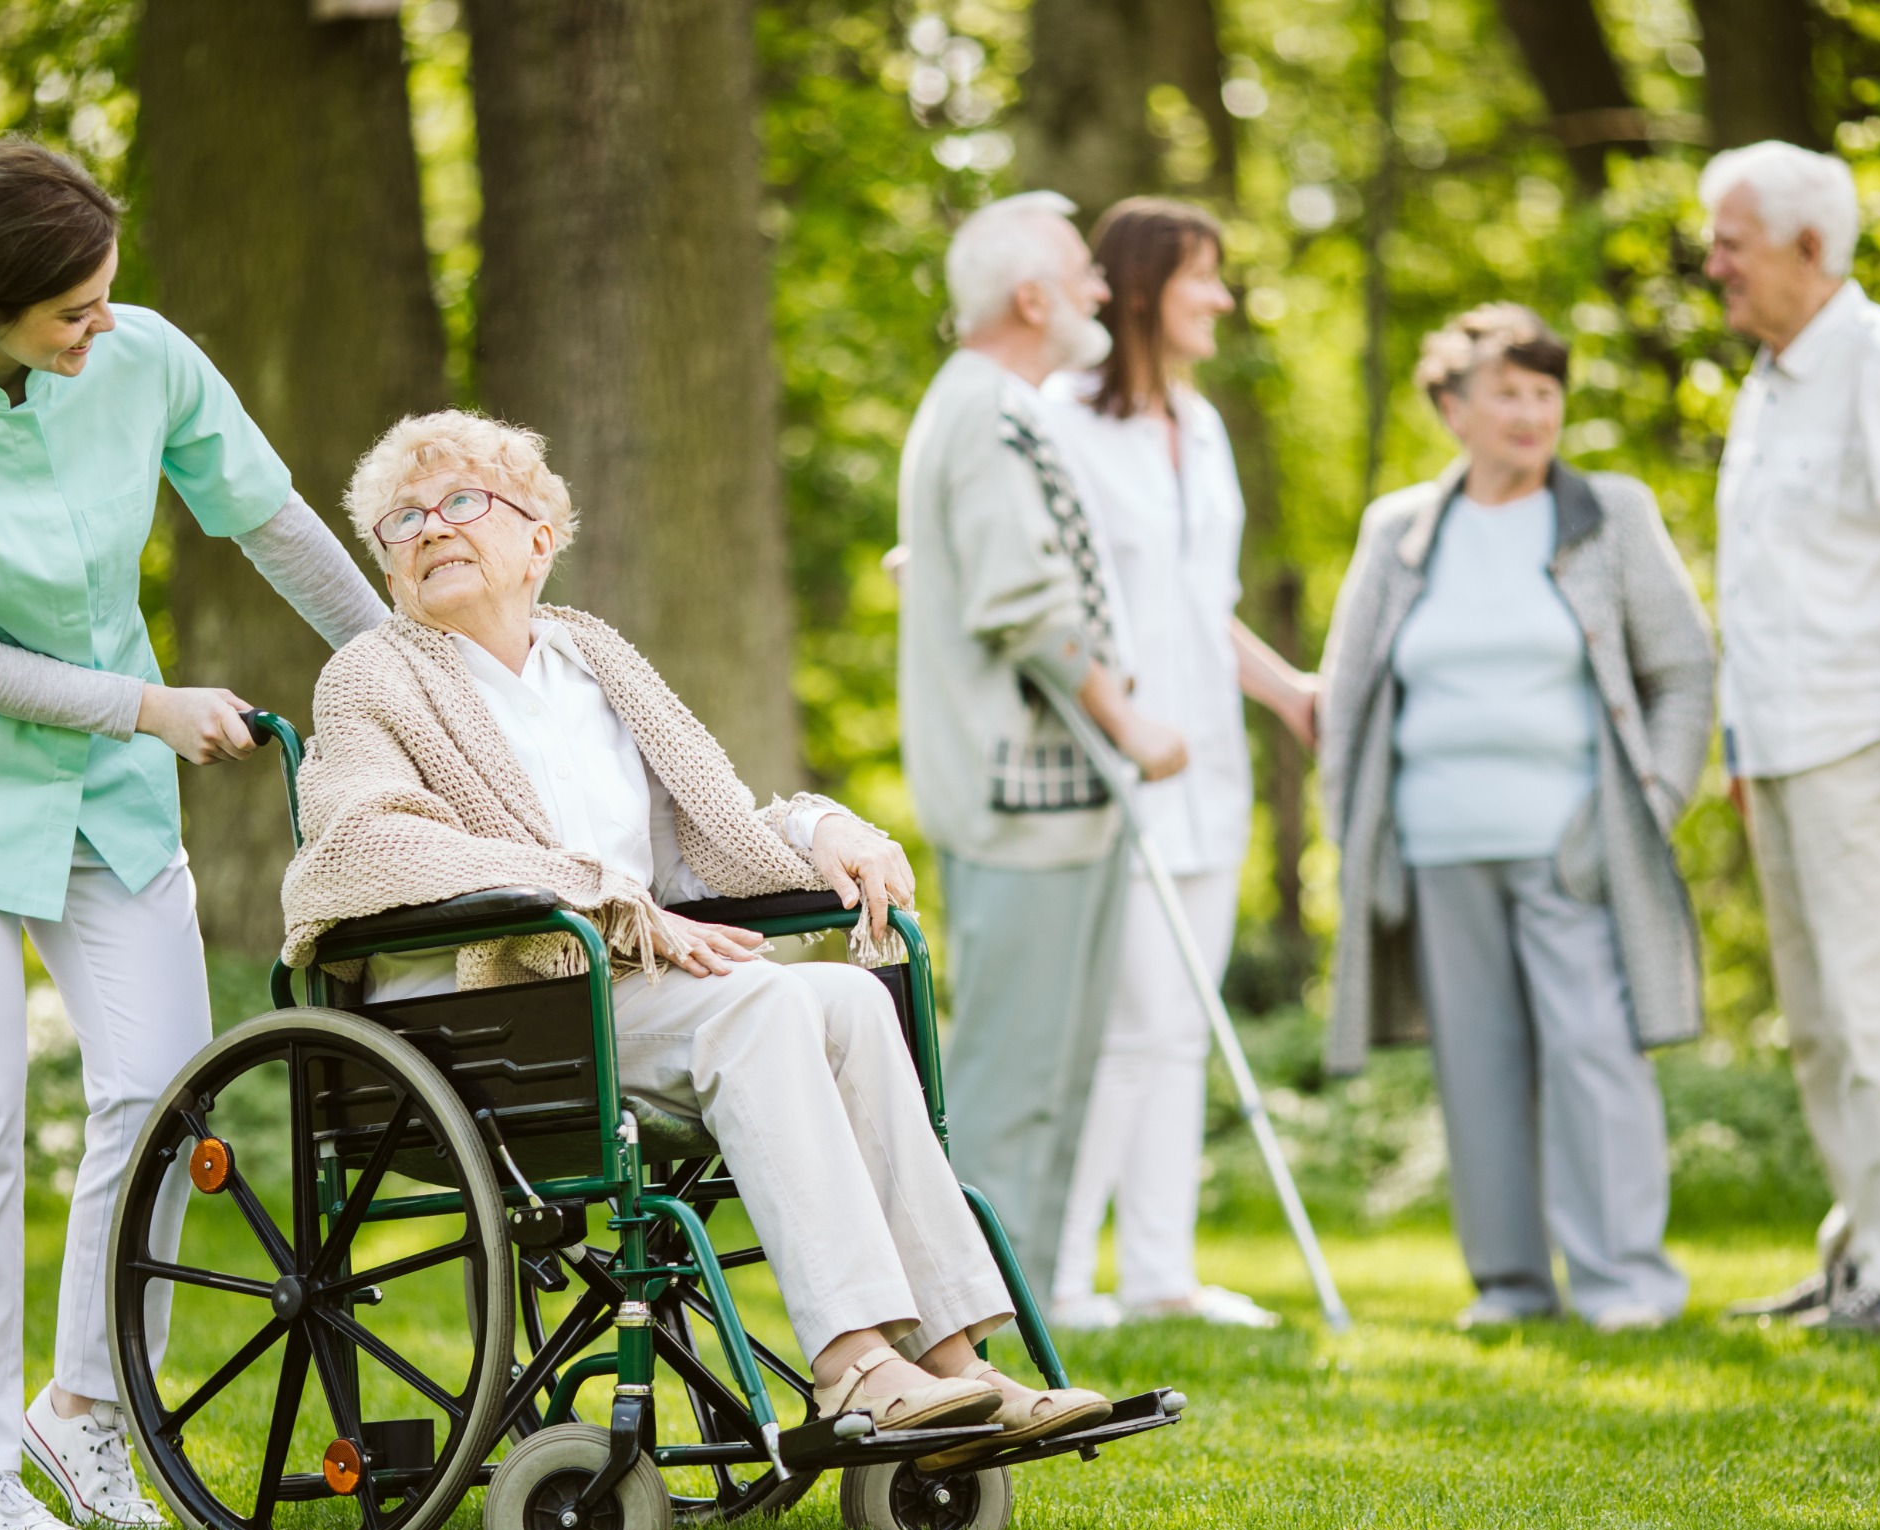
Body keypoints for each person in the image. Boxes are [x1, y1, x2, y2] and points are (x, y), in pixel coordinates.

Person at [280, 409, 1114, 1462]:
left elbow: (706, 842)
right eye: (403, 519)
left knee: (851, 999)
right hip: (491, 1010)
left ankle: (955, 1369)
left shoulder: (594, 660)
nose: (432, 528)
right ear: (389, 563)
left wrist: (820, 826)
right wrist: (595, 893)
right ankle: (855, 1361)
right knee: (763, 1005)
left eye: (461, 502)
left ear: (539, 535)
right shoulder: (374, 675)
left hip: (628, 994)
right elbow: (358, 849)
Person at [0, 139, 391, 1530]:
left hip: (104, 803)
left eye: (107, 296)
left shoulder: (146, 362)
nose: (102, 328)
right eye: (72, 311)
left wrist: (411, 675)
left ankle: (82, 1415)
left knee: (162, 1093)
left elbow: (272, 523)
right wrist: (146, 706)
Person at [1316, 304, 1714, 1332]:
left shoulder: (1609, 513)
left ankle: (1628, 1284)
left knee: (1595, 1056)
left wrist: (1657, 801)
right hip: (1438, 846)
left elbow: (1684, 670)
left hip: (1573, 844)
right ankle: (1511, 1284)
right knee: (1477, 1069)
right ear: (1453, 407)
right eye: (1510, 391)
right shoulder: (1399, 531)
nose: (1534, 412)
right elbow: (1349, 697)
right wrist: (1348, 838)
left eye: (1547, 392)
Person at [1702, 143, 1880, 1336]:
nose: (1712, 265)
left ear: (1811, 248)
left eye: (1732, 244)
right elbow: (1772, 585)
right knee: (1819, 1027)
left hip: (1873, 748)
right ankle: (1862, 1257)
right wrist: (1740, 748)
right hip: (1781, 750)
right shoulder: (1770, 381)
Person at [896, 190, 1188, 1302]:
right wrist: (1132, 722)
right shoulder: (989, 413)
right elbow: (1026, 599)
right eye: (1084, 271)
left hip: (1055, 801)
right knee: (1016, 1076)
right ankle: (969, 1324)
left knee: (1055, 1071)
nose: (1104, 290)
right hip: (1025, 797)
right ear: (1032, 296)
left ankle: (1034, 1301)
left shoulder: (987, 407)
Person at [1039, 198, 1317, 1330]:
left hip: (1207, 758)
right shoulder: (1061, 418)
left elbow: (1207, 607)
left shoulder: (1198, 425)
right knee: (1125, 1016)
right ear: (1148, 285)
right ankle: (1056, 1275)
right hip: (1116, 758)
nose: (1223, 298)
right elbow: (1045, 595)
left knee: (1180, 1020)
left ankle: (1160, 1268)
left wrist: (1291, 691)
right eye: (1205, 277)